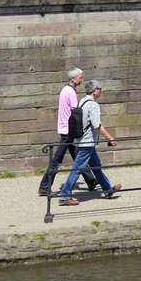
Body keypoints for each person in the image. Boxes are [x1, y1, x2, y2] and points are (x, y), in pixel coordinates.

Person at [57, 81, 122, 204]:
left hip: (82, 140)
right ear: (94, 91)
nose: (101, 91)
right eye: (100, 88)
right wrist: (110, 138)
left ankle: (107, 189)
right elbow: (97, 125)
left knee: (96, 166)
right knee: (77, 169)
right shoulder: (93, 105)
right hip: (87, 142)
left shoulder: (81, 102)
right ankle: (64, 196)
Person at [39, 67, 98, 198]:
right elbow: (76, 114)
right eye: (80, 78)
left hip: (65, 129)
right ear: (73, 79)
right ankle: (44, 187)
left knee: (77, 157)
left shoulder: (65, 90)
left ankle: (90, 180)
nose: (82, 80)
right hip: (68, 131)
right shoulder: (71, 93)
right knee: (57, 160)